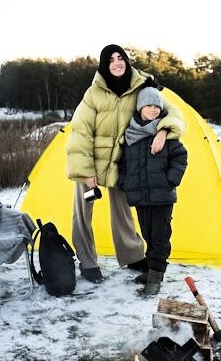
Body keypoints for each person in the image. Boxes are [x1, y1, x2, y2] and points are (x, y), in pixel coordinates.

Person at [66, 44, 185, 284]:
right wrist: (86, 172)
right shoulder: (93, 93)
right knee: (84, 211)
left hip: (122, 163)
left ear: (127, 61)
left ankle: (132, 255)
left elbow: (174, 115)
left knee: (123, 211)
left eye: (120, 58)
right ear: (104, 65)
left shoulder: (142, 86)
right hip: (91, 162)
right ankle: (87, 261)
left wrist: (163, 131)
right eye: (111, 60)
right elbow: (80, 133)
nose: (117, 63)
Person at [118, 87, 188, 295]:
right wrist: (126, 182)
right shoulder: (131, 137)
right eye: (149, 105)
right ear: (140, 107)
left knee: (160, 236)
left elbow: (180, 158)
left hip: (162, 196)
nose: (154, 109)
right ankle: (151, 270)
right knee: (147, 233)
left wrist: (170, 180)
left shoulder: (166, 132)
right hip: (140, 196)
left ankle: (156, 277)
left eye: (157, 105)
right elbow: (123, 164)